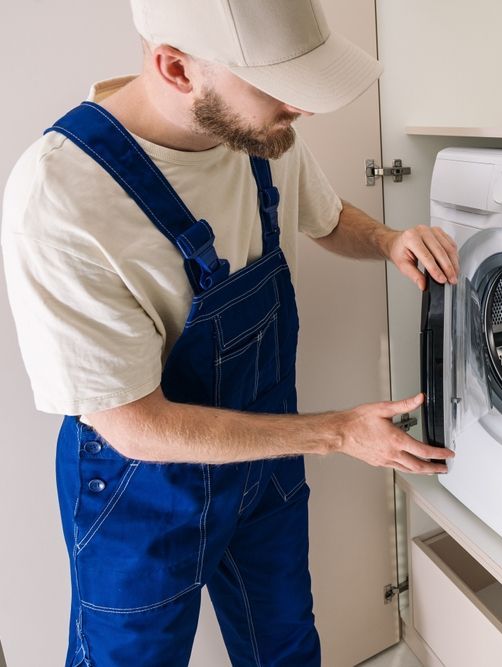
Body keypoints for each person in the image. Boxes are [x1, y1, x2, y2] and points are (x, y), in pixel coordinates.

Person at [0, 1, 457, 665]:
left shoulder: (258, 132)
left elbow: (324, 217)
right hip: (141, 492)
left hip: (264, 466)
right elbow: (134, 426)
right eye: (279, 86)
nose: (299, 108)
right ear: (176, 69)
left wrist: (389, 239)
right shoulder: (63, 195)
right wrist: (337, 431)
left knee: (286, 648)